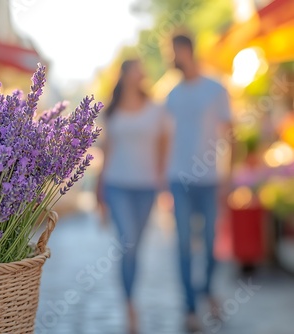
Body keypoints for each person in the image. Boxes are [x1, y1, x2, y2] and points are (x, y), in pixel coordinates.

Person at [165, 34, 233, 332]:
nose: (172, 58)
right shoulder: (171, 95)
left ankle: (206, 288)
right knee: (182, 245)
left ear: (186, 51)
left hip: (209, 179)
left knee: (209, 244)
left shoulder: (215, 90)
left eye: (174, 52)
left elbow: (231, 134)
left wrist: (229, 175)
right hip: (179, 179)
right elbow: (163, 139)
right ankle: (190, 307)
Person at [97, 59, 170, 334]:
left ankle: (131, 296)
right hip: (117, 186)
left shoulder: (156, 110)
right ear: (125, 75)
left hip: (146, 188)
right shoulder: (112, 111)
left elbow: (164, 144)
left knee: (135, 248)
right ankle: (129, 307)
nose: (141, 74)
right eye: (137, 69)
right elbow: (107, 152)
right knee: (127, 243)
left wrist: (162, 180)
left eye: (143, 70)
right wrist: (99, 195)